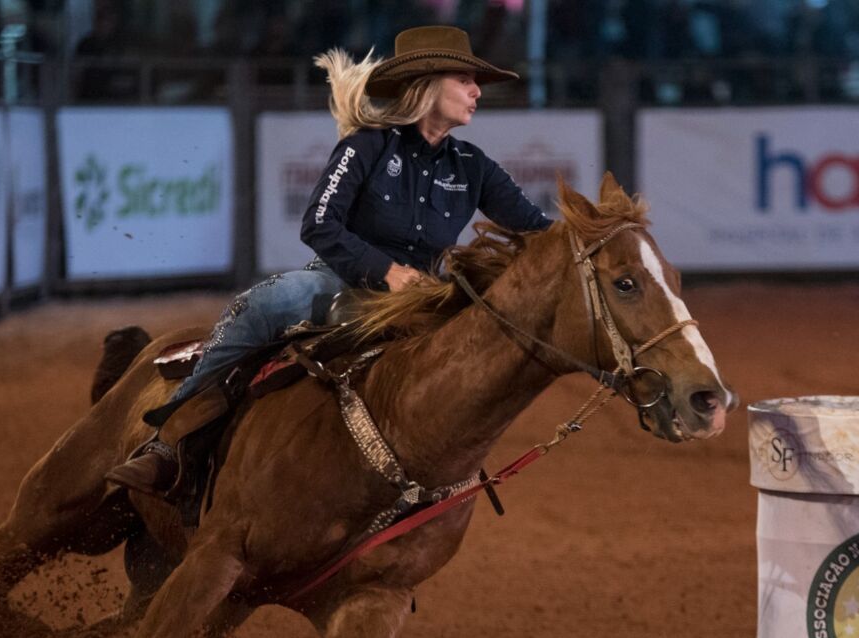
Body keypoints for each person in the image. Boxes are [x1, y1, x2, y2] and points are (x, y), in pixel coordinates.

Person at [106, 25, 552, 494]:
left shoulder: (474, 166)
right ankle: (168, 441)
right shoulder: (368, 146)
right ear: (427, 82)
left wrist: (595, 235)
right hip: (341, 282)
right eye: (465, 79)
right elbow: (319, 224)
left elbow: (535, 227)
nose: (477, 91)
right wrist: (387, 271)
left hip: (424, 300)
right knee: (259, 305)